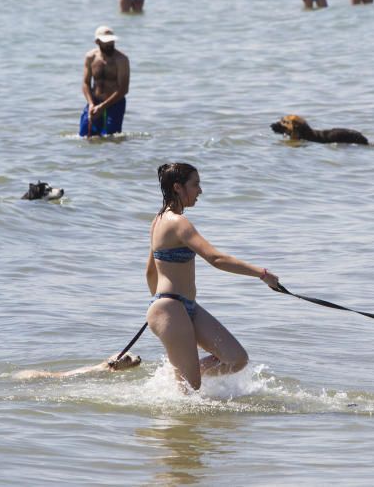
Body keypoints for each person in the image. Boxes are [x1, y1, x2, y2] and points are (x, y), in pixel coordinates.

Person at [145, 162, 280, 391]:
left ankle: (174, 376)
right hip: (170, 308)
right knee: (190, 387)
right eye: (195, 184)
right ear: (178, 187)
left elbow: (150, 271)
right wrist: (262, 274)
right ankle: (178, 391)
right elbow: (215, 258)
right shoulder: (179, 223)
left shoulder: (158, 220)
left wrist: (157, 299)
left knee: (236, 359)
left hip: (184, 307)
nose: (200, 190)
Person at [80, 25, 130, 137]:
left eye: (111, 41)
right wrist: (91, 104)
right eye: (106, 42)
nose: (110, 44)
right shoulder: (90, 57)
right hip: (95, 102)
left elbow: (123, 89)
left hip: (115, 103)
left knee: (111, 138)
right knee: (85, 136)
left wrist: (102, 107)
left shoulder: (122, 59)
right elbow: (85, 83)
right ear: (97, 42)